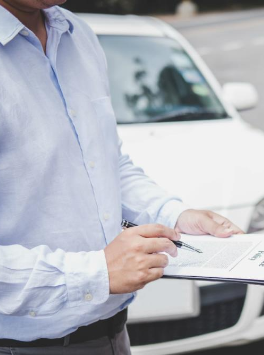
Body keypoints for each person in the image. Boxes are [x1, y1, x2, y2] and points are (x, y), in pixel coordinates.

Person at [0, 0, 243, 353]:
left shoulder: (77, 35)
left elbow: (106, 163)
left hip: (113, 335)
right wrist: (96, 273)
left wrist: (173, 215)